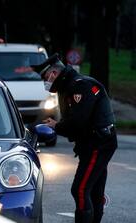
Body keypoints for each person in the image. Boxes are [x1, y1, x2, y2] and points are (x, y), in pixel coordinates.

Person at [32, 54, 118, 223]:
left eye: (45, 77)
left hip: (98, 143)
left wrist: (57, 126)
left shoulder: (80, 86)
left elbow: (78, 121)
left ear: (54, 73)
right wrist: (59, 125)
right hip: (92, 143)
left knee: (80, 189)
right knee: (94, 190)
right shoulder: (68, 86)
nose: (45, 82)